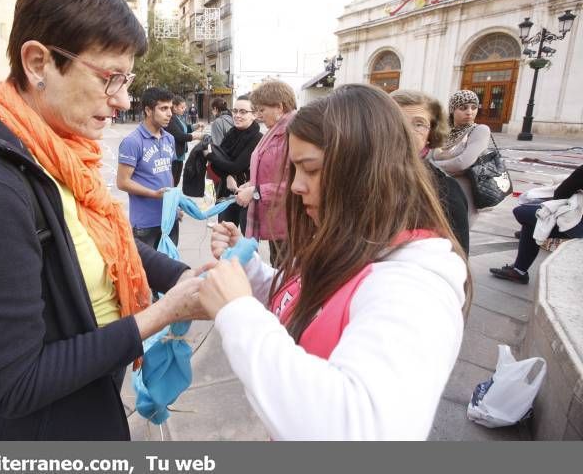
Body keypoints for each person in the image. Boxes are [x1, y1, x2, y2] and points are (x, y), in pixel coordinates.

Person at [0, 0, 205, 441]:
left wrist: (180, 277)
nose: (122, 100)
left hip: (89, 404)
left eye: (127, 80)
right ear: (38, 64)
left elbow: (101, 248)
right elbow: (16, 383)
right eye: (111, 78)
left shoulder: (58, 153)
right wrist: (162, 313)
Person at [199, 84, 470, 440]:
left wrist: (237, 313)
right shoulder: (358, 242)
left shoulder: (412, 288)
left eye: (310, 169)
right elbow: (308, 303)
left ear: (363, 171)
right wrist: (247, 272)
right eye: (295, 170)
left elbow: (360, 430)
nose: (296, 186)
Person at [391, 89, 469, 254]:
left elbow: (457, 259)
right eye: (396, 121)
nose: (407, 131)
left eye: (418, 124)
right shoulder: (364, 173)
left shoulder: (445, 189)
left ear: (430, 134)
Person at [236, 80, 297, 267]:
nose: (260, 116)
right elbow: (272, 172)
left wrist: (256, 191)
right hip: (276, 219)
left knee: (284, 273)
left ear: (279, 107)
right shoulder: (276, 131)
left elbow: (294, 182)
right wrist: (251, 184)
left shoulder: (292, 133)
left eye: (262, 110)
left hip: (288, 222)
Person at [490, 164, 583, 284]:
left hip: (578, 225)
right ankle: (519, 271)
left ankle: (519, 271)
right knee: (533, 222)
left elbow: (561, 193)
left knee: (522, 212)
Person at [117, 88, 179, 248]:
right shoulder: (132, 142)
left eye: (170, 108)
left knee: (171, 269)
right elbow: (122, 182)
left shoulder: (169, 138)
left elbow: (168, 174)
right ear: (148, 110)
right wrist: (154, 194)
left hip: (168, 220)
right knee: (147, 272)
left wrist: (174, 204)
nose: (170, 113)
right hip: (145, 225)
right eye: (163, 108)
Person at [430, 90, 491, 225]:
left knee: (458, 237)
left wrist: (431, 167)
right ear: (452, 110)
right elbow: (431, 155)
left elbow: (463, 163)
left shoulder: (480, 130)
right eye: (463, 108)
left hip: (464, 193)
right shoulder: (445, 132)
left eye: (474, 107)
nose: (469, 112)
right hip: (438, 190)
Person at [204, 95, 262, 232]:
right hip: (226, 192)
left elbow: (237, 166)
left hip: (247, 194)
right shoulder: (231, 134)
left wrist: (210, 155)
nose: (237, 115)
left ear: (254, 115)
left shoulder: (257, 138)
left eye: (243, 112)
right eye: (235, 111)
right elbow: (216, 165)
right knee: (224, 236)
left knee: (247, 243)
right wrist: (228, 176)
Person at [166, 95, 203, 186]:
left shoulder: (178, 117)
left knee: (176, 180)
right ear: (174, 107)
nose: (184, 109)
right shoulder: (171, 119)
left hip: (180, 154)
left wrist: (196, 126)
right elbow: (180, 136)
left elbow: (185, 128)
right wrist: (196, 136)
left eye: (185, 107)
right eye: (182, 107)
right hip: (174, 155)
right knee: (172, 181)